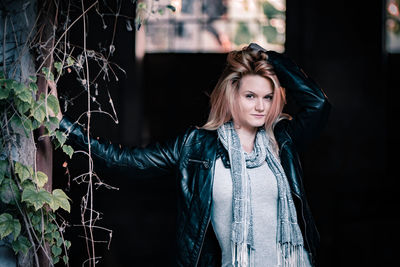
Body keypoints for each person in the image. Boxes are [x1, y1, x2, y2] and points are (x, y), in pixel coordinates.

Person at [56, 43, 330, 267]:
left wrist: (269, 58)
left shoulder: (282, 140)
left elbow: (318, 104)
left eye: (267, 97)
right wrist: (65, 126)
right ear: (232, 94)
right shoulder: (197, 146)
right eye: (250, 96)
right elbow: (125, 160)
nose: (260, 106)